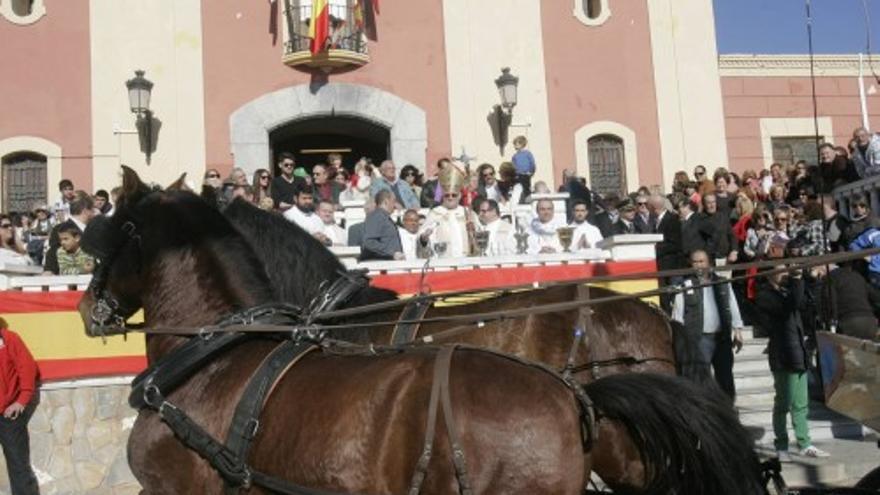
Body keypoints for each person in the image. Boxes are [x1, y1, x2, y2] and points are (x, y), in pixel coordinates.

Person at [755, 263, 830, 460]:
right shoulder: (765, 295)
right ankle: (781, 445)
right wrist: (797, 280)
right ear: (770, 274)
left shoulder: (790, 290)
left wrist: (811, 280)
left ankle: (804, 443)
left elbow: (807, 305)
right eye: (781, 270)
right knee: (783, 403)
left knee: (801, 403)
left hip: (798, 351)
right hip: (782, 353)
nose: (785, 273)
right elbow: (789, 307)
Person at [671, 250, 744, 400]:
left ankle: (727, 412)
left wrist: (738, 330)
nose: (698, 265)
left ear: (709, 263)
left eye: (701, 261)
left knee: (725, 379)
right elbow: (677, 315)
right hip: (698, 339)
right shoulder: (684, 286)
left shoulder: (722, 283)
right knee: (700, 381)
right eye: (695, 262)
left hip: (721, 338)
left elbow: (733, 306)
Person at [0, 317, 40, 495]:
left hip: (8, 415)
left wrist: (21, 400)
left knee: (19, 467)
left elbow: (28, 368)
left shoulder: (10, 339)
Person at [817, 263, 880, 341]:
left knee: (851, 352)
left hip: (849, 322)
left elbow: (830, 301)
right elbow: (875, 296)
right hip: (869, 321)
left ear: (822, 269)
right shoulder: (857, 276)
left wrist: (831, 323)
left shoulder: (830, 278)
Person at [43, 191, 96, 275]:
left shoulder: (92, 229)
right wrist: (49, 269)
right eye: (93, 209)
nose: (94, 213)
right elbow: (53, 251)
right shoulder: (62, 228)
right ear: (85, 211)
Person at [425, 167, 473, 258]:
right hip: (443, 261)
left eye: (454, 195)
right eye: (447, 195)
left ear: (459, 196)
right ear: (442, 196)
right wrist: (424, 238)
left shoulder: (467, 212)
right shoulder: (435, 213)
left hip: (466, 260)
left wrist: (472, 230)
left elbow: (479, 237)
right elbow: (423, 237)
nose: (450, 198)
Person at [649, 194, 684, 313]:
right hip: (660, 266)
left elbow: (675, 244)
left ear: (654, 208)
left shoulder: (672, 219)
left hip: (671, 266)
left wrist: (655, 248)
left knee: (671, 298)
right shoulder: (656, 221)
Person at [361, 190, 404, 261]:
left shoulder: (384, 217)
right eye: (393, 201)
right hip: (381, 265)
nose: (395, 205)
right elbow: (369, 242)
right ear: (386, 202)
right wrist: (392, 253)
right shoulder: (376, 217)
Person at [701, 193, 738, 270]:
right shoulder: (699, 219)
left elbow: (731, 235)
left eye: (713, 202)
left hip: (724, 258)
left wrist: (734, 251)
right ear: (704, 204)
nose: (712, 205)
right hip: (707, 261)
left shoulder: (723, 217)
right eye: (709, 203)